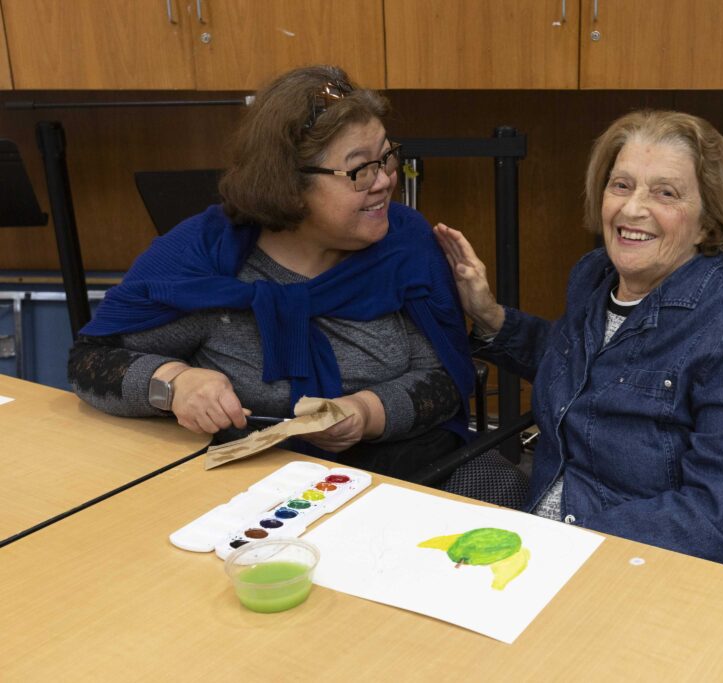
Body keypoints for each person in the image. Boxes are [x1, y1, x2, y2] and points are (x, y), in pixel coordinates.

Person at [435, 110, 723, 579]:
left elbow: (721, 516)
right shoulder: (594, 274)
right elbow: (579, 367)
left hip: (695, 562)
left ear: (707, 220)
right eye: (621, 185)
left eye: (665, 193)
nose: (632, 209)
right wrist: (490, 315)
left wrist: (564, 543)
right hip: (571, 520)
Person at [68, 65, 476, 480]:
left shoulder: (405, 246)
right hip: (250, 480)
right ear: (289, 183)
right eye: (359, 170)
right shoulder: (206, 259)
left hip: (401, 470)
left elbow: (445, 379)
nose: (385, 181)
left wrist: (365, 412)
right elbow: (91, 362)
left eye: (386, 157)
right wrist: (174, 384)